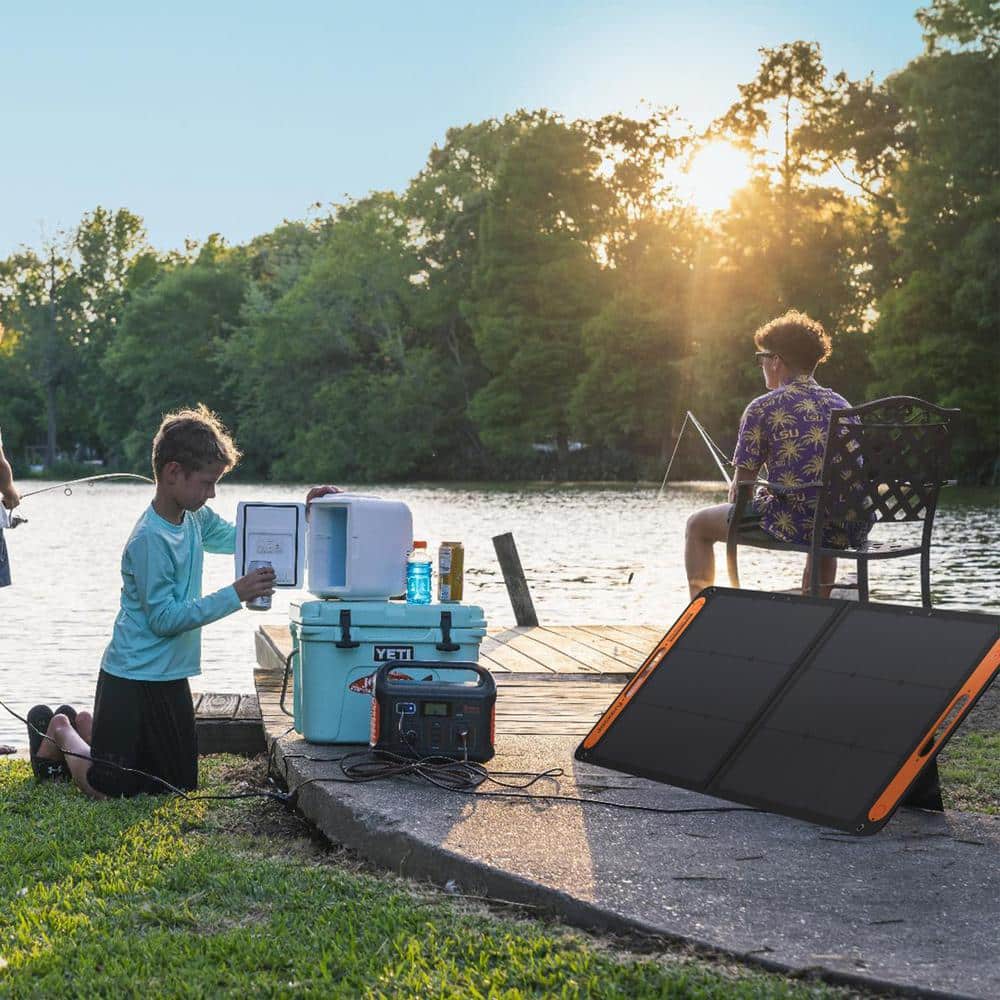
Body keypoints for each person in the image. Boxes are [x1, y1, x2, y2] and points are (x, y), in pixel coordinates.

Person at [28, 403, 340, 797]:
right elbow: (164, 619)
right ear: (174, 473)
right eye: (207, 483)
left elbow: (244, 536)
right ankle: (60, 730)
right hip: (131, 676)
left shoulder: (194, 517)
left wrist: (306, 515)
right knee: (111, 788)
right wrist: (236, 594)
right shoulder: (149, 539)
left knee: (176, 786)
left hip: (170, 675)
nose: (212, 493)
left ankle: (89, 726)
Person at [684, 310, 867, 601]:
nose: (761, 364)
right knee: (822, 517)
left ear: (776, 361)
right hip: (846, 523)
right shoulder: (843, 405)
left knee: (697, 525)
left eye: (762, 358)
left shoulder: (763, 407)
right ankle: (815, 610)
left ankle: (699, 612)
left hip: (795, 522)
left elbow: (742, 490)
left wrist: (741, 492)